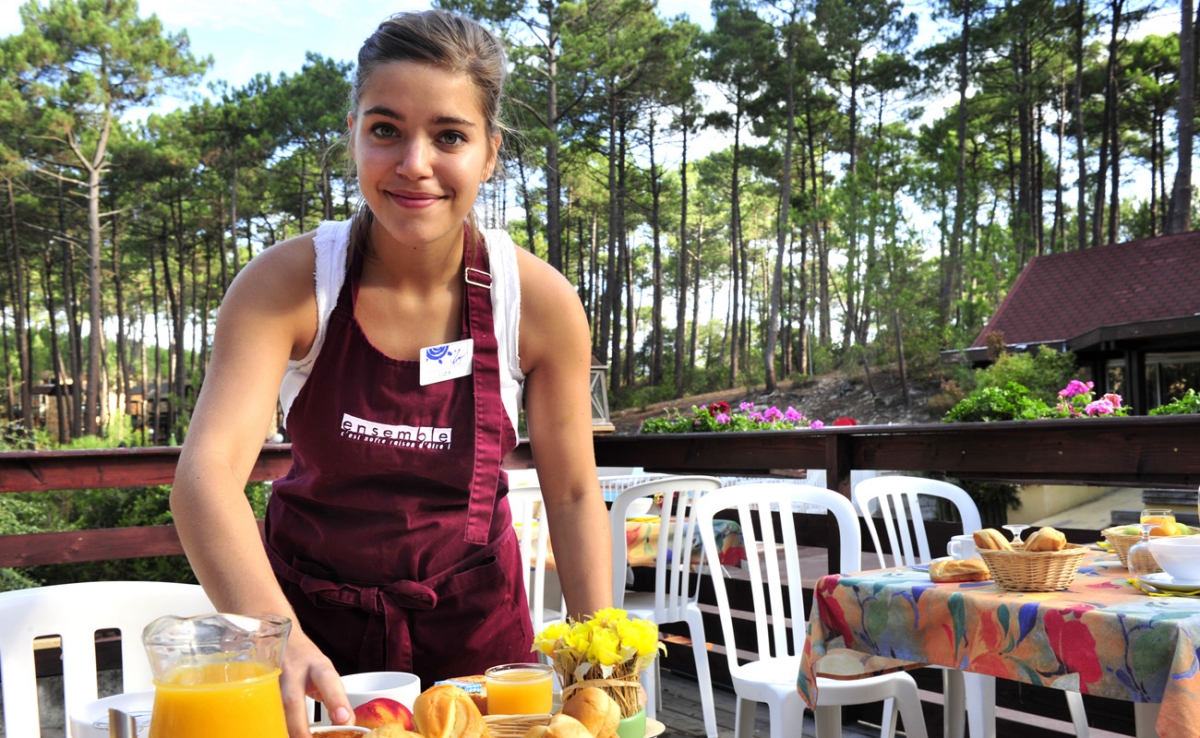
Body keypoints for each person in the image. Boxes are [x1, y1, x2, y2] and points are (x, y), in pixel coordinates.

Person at [170, 10, 612, 737]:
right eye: (385, 129)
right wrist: (273, 639)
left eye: (449, 135)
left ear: (490, 152)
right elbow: (206, 477)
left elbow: (569, 491)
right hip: (310, 643)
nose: (414, 162)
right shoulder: (286, 284)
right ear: (353, 134)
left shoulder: (538, 303)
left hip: (480, 650)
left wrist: (601, 663)